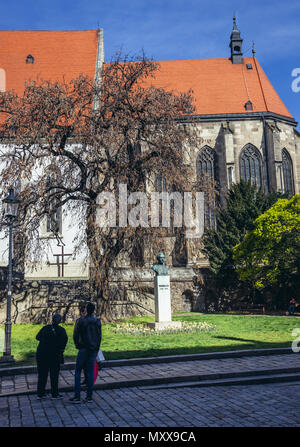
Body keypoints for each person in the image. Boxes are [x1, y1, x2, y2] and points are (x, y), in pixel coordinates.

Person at [70, 302, 101, 403]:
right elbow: (99, 336)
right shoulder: (97, 321)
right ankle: (89, 396)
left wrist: (77, 345)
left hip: (83, 348)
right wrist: (97, 348)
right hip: (93, 349)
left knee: (78, 371)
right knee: (90, 372)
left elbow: (75, 335)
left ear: (86, 310)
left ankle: (77, 396)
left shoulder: (81, 321)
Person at [36, 313, 68, 400]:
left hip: (42, 354)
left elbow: (37, 337)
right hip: (54, 355)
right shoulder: (61, 330)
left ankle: (41, 393)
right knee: (54, 375)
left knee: (42, 374)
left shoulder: (45, 328)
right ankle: (55, 393)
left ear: (52, 320)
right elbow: (64, 342)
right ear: (60, 321)